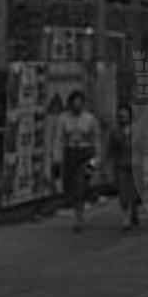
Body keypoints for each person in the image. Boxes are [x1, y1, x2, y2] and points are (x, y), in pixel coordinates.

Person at [56, 89, 100, 231]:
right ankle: (78, 212)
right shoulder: (63, 118)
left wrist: (97, 158)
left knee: (81, 183)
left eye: (80, 102)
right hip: (70, 153)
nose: (77, 105)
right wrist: (57, 157)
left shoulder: (90, 119)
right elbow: (59, 138)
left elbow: (96, 139)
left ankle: (79, 218)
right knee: (71, 185)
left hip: (86, 153)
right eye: (75, 102)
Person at [107, 103, 141, 230]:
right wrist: (108, 165)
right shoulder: (115, 132)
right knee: (123, 192)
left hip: (136, 165)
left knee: (135, 191)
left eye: (125, 116)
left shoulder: (137, 130)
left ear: (130, 116)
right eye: (120, 116)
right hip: (121, 165)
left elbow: (142, 148)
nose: (123, 119)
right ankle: (125, 218)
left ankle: (134, 210)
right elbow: (110, 149)